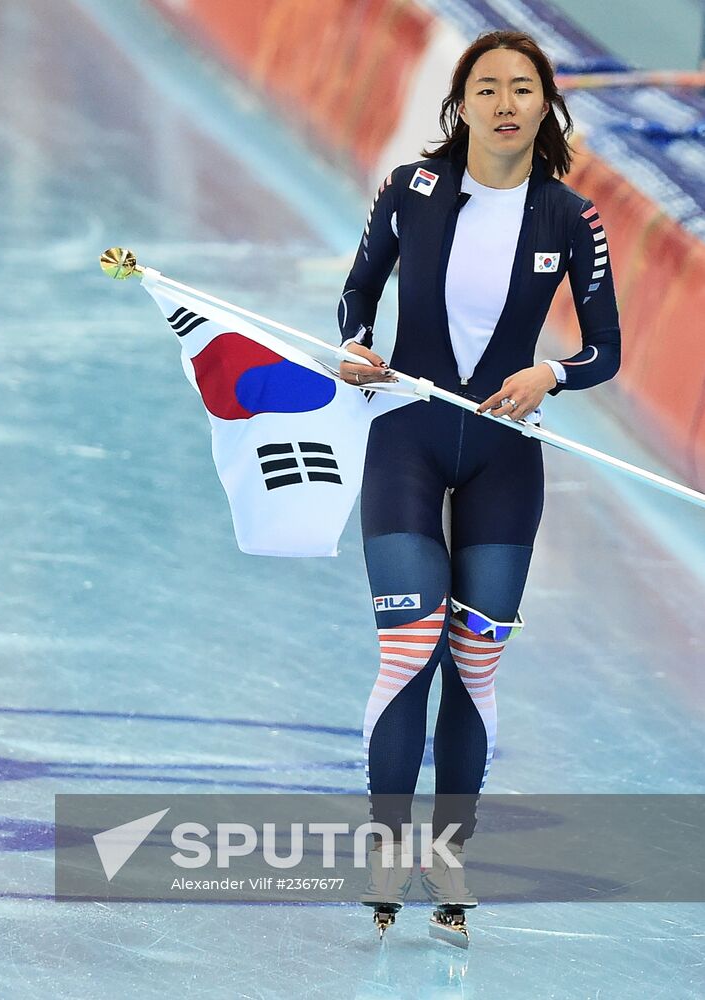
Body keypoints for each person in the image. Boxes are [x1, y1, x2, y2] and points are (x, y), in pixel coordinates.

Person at [335, 30, 622, 944]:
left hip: (504, 458)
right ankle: (387, 849)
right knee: (408, 646)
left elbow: (603, 349)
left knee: (472, 663)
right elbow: (357, 296)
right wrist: (353, 349)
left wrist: (552, 376)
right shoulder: (409, 193)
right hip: (405, 441)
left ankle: (449, 859)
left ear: (545, 106)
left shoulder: (570, 218)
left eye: (522, 87)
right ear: (460, 101)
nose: (505, 102)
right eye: (487, 85)